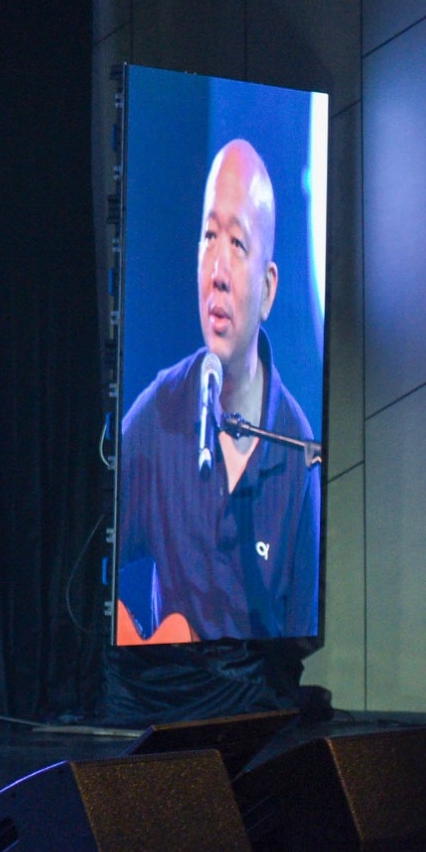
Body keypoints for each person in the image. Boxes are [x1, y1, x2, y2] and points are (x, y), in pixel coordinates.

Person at [118, 139, 321, 644]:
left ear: (268, 289)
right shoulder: (160, 412)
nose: (218, 273)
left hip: (252, 692)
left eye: (237, 244)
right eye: (209, 237)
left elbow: (302, 640)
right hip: (168, 690)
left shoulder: (296, 451)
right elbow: (82, 549)